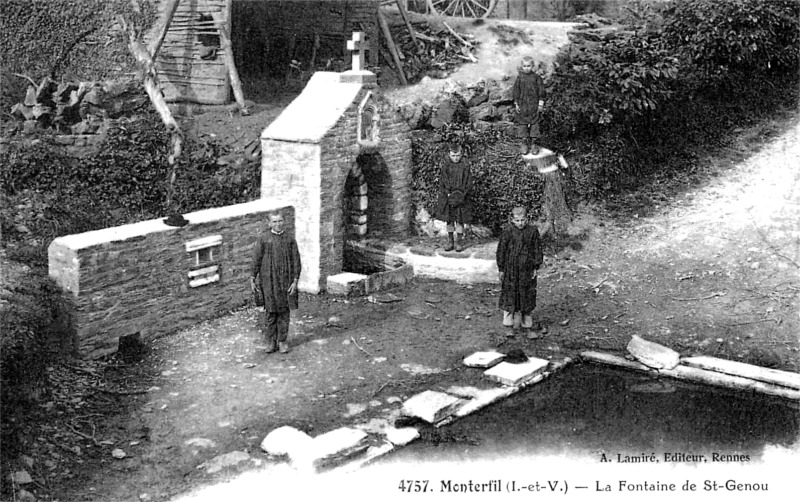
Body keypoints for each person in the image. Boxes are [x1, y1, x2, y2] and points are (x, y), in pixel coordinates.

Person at [250, 211, 301, 354]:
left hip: (285, 282)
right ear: (269, 223)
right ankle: (271, 341)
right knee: (271, 313)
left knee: (284, 313)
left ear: (284, 221)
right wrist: (252, 278)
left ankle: (282, 341)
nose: (277, 224)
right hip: (269, 282)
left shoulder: (290, 239)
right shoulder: (264, 239)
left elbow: (296, 261)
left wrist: (295, 281)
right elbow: (256, 259)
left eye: (280, 221)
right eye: (274, 222)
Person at [496, 206, 544, 332]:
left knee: (526, 295)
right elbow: (501, 250)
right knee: (510, 294)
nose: (520, 223)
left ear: (527, 219)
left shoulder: (532, 232)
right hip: (510, 269)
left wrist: (535, 266)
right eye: (517, 221)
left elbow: (537, 250)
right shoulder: (507, 231)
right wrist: (501, 268)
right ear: (512, 220)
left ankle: (527, 325)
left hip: (526, 270)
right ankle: (508, 325)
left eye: (523, 220)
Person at [435, 143, 473, 252]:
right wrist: (448, 193)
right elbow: (443, 181)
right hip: (448, 197)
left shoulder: (465, 166)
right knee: (450, 220)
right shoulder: (446, 166)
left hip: (461, 197)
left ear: (461, 155)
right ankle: (450, 240)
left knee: (460, 220)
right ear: (449, 154)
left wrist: (463, 194)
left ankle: (459, 242)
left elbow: (468, 182)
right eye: (453, 156)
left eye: (457, 156)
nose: (455, 158)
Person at [512, 56, 545, 156]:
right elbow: (516, 91)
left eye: (529, 66)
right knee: (522, 123)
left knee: (535, 123)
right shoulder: (519, 78)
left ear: (533, 66)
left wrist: (541, 103)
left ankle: (534, 143)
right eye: (524, 66)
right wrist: (516, 103)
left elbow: (541, 91)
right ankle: (524, 143)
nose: (526, 68)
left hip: (533, 105)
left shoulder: (536, 78)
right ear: (521, 67)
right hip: (523, 105)